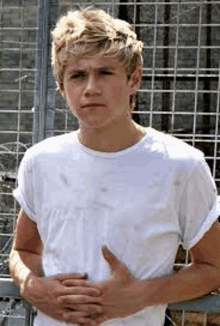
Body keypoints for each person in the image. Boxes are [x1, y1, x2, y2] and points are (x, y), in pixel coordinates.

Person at [9, 7, 220, 326]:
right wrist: (33, 286)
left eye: (105, 72)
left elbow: (213, 266)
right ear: (62, 87)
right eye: (78, 75)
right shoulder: (41, 161)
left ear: (134, 79)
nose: (91, 88)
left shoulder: (181, 165)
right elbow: (22, 251)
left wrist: (144, 294)